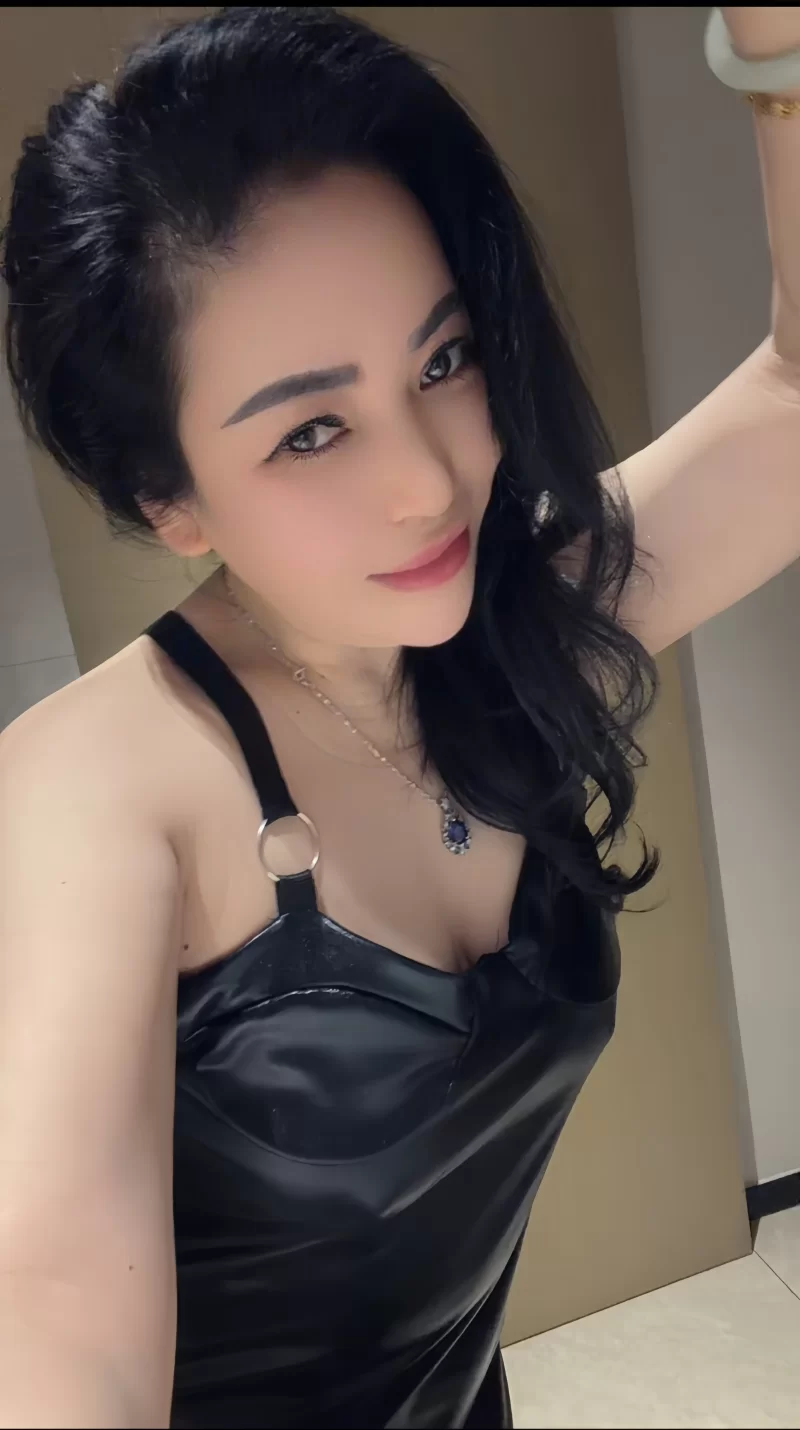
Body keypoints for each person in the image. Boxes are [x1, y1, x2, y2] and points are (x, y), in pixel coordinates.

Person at [0, 6, 798, 1428]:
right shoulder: (92, 797)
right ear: (168, 497)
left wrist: (778, 58)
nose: (429, 482)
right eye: (310, 431)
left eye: (442, 361)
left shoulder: (501, 636)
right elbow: (57, 1319)